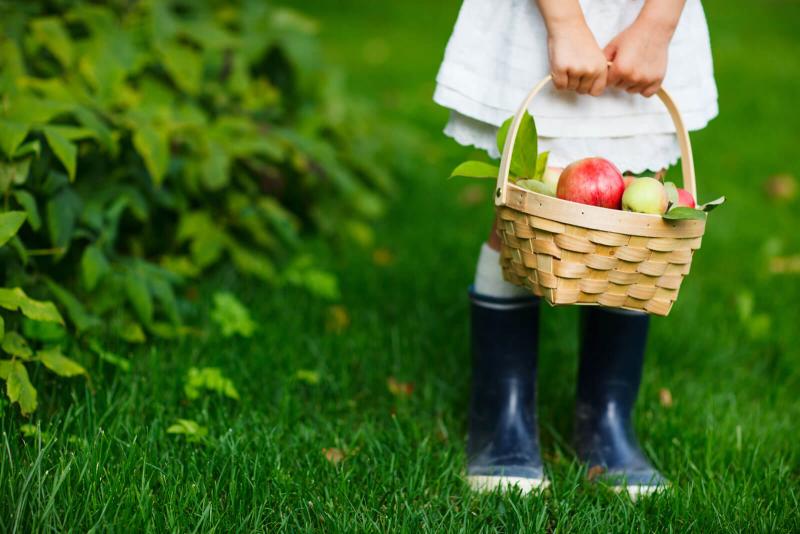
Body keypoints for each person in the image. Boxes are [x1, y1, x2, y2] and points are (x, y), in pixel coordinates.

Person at [434, 0, 717, 496]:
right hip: (545, 16)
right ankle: (502, 415)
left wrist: (657, 23)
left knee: (635, 221)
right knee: (526, 216)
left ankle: (605, 421)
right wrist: (564, 21)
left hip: (643, 21)